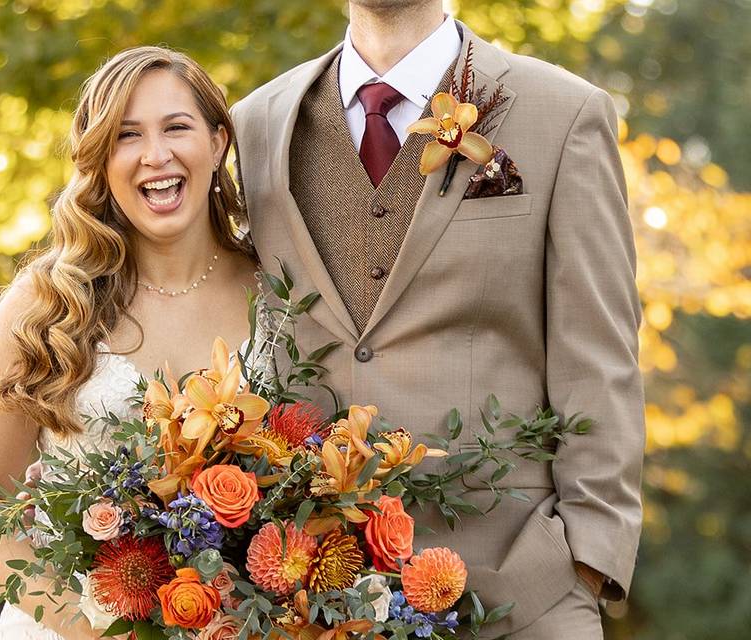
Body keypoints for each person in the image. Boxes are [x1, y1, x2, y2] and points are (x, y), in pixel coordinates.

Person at [231, 1, 645, 638]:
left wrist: (586, 560)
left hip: (521, 595)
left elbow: (599, 357)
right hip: (306, 601)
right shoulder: (255, 125)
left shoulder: (562, 115)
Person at [0, 47, 257, 639]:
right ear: (100, 161)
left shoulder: (280, 295)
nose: (155, 155)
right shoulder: (50, 302)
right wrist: (87, 626)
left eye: (176, 128)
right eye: (126, 136)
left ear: (217, 143)